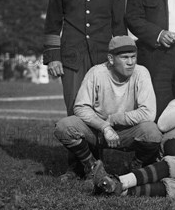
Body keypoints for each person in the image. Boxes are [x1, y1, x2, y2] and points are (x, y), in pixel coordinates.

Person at [44, 0, 126, 180]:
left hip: (102, 57)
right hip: (72, 57)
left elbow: (119, 27)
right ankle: (77, 165)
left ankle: (99, 162)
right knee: (74, 109)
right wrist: (53, 57)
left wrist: (122, 59)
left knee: (100, 109)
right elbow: (52, 22)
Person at [54, 36, 162, 179]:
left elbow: (148, 113)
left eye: (133, 57)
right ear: (111, 59)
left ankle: (137, 165)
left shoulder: (141, 72)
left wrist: (115, 119)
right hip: (98, 131)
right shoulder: (96, 73)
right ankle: (91, 166)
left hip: (128, 132)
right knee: (64, 127)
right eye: (125, 58)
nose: (130, 62)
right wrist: (105, 126)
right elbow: (80, 107)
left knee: (152, 132)